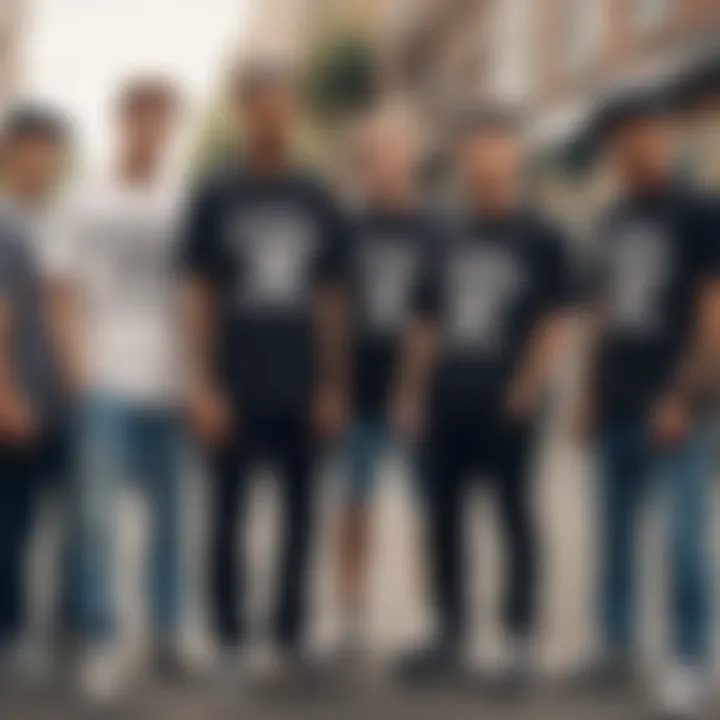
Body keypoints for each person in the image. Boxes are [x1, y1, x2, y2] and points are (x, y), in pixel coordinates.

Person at [392, 107, 573, 687]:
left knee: (514, 518)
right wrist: (411, 393)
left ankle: (518, 642)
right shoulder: (444, 237)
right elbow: (426, 321)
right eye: (474, 148)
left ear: (515, 155)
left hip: (508, 403)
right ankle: (450, 633)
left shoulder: (542, 236)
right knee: (445, 520)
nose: (484, 159)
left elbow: (554, 320)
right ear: (464, 161)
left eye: (495, 146)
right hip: (448, 400)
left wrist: (528, 385)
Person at [180, 63, 349, 676]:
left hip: (302, 384)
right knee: (226, 516)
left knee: (302, 517)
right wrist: (201, 385)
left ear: (293, 111)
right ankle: (227, 636)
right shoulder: (214, 194)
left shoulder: (317, 194)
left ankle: (291, 630)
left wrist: (333, 384)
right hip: (234, 386)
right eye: (259, 103)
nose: (271, 114)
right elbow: (197, 294)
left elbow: (331, 298)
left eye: (281, 102)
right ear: (242, 111)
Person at [571, 88, 720, 719]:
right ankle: (614, 644)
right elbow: (603, 314)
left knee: (684, 537)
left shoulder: (700, 211)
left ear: (664, 134)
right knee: (613, 536)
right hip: (618, 402)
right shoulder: (611, 219)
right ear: (612, 146)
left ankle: (689, 657)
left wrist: (682, 397)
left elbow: (713, 318)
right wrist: (587, 392)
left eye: (646, 129)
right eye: (623, 133)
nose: (636, 142)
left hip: (679, 408)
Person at [48, 77, 189, 700]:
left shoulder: (185, 202)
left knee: (174, 521)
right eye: (140, 118)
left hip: (172, 385)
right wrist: (80, 371)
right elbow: (61, 294)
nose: (150, 131)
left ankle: (165, 634)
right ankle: (103, 640)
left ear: (172, 128)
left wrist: (198, 377)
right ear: (120, 121)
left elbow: (200, 294)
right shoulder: (82, 200)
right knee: (98, 521)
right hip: (105, 381)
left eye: (162, 120)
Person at [333, 106, 434, 657]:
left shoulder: (437, 226)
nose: (383, 163)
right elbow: (334, 312)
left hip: (420, 399)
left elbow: (438, 316)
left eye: (393, 151)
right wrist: (334, 386)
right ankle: (349, 611)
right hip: (358, 390)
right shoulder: (345, 229)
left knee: (429, 510)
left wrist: (415, 393)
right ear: (360, 164)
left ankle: (434, 618)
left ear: (413, 158)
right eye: (371, 155)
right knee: (354, 505)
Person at [0, 106, 70, 678]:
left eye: (48, 148)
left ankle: (49, 630)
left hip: (57, 398)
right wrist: (6, 394)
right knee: (12, 524)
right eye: (30, 147)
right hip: (17, 398)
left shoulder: (56, 220)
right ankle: (12, 633)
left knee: (57, 524)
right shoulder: (4, 223)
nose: (39, 157)